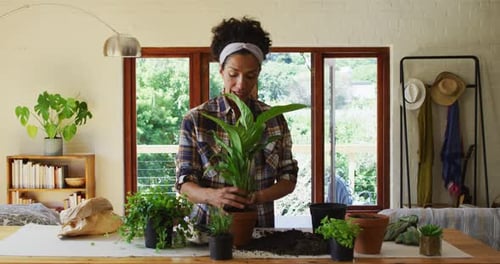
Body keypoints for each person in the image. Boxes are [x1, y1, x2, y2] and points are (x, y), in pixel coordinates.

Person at [175, 17, 298, 228]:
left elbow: (288, 178)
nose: (241, 84)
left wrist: (256, 197)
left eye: (251, 76)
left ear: (258, 73)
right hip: (207, 231)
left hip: (258, 229)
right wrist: (212, 196)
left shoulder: (273, 120)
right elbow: (184, 182)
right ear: (221, 71)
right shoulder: (197, 120)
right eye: (233, 74)